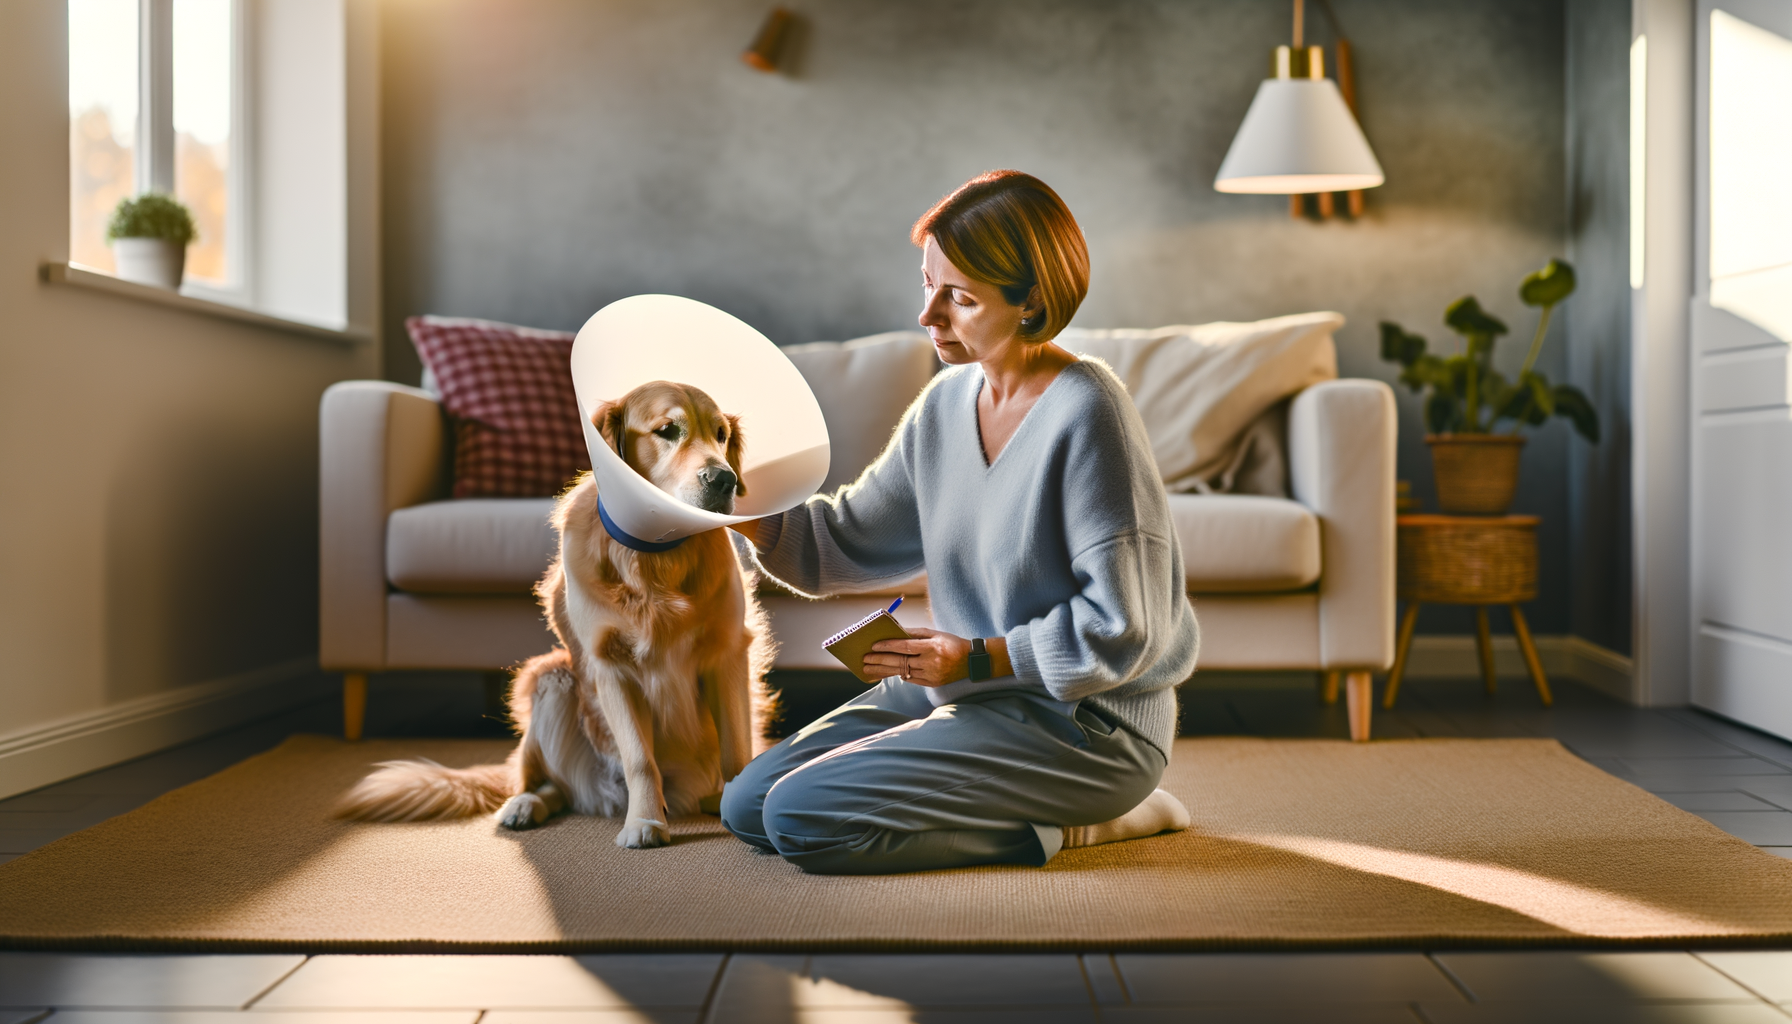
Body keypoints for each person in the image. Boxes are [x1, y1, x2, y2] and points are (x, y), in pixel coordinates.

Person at [719, 170, 1199, 874]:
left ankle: (1089, 825)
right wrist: (733, 508)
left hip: (1086, 725)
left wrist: (976, 657)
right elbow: (838, 543)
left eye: (961, 298)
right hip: (969, 687)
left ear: (1031, 301)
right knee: (747, 807)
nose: (928, 316)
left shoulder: (1088, 414)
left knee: (800, 818)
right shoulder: (945, 407)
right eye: (928, 284)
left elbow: (1123, 629)